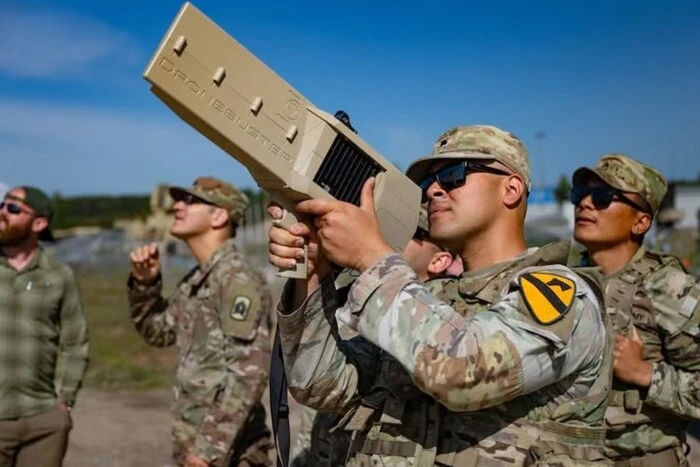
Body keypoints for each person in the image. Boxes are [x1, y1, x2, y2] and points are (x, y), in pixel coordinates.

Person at [268, 125, 613, 466]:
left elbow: (462, 374)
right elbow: (321, 383)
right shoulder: (430, 300)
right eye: (426, 183)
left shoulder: (560, 295)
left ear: (511, 189)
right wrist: (314, 276)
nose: (433, 190)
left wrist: (370, 257)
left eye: (452, 175)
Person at [289, 206, 461, 467]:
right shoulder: (357, 304)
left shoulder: (451, 327)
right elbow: (318, 390)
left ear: (438, 261)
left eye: (410, 231)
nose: (379, 234)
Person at [127, 177, 273, 467]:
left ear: (219, 215)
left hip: (229, 452)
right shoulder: (197, 279)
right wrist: (146, 285)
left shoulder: (236, 279)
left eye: (191, 201)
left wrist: (207, 450)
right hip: (196, 442)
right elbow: (158, 331)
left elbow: (249, 373)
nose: (178, 206)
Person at [571, 154, 700, 467]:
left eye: (603, 197)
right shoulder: (567, 283)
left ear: (641, 222)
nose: (585, 203)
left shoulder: (669, 289)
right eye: (579, 195)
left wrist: (644, 373)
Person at [0, 186, 89, 467]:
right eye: (2, 205)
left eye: (14, 209)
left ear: (39, 223)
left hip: (43, 422)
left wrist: (65, 402)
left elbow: (76, 342)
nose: (3, 212)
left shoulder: (59, 275)